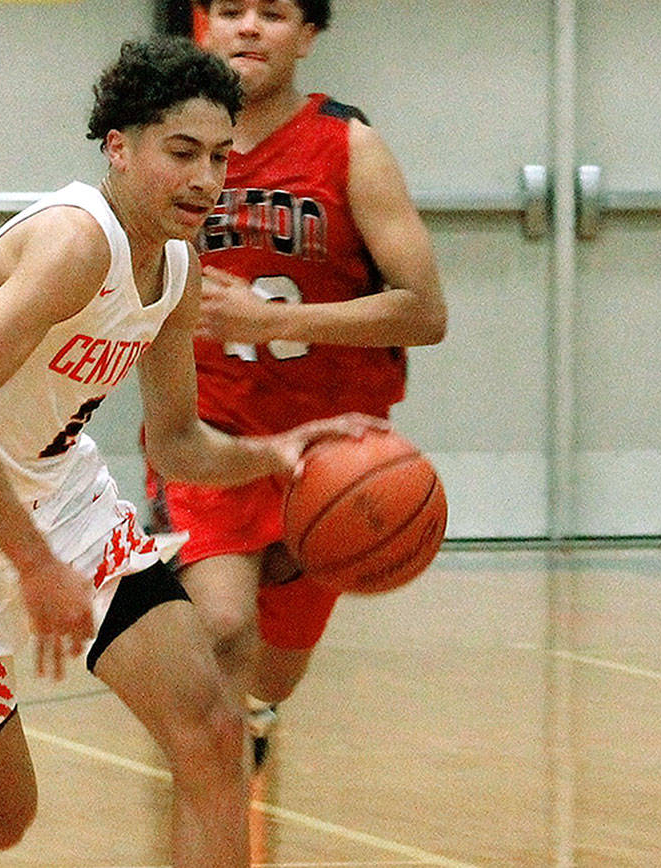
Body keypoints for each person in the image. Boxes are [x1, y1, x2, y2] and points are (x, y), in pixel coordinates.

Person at [0, 37, 373, 868]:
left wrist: (279, 454)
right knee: (0, 818)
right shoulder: (75, 243)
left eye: (219, 155)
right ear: (121, 146)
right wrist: (34, 567)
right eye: (182, 153)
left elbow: (176, 444)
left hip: (67, 502)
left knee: (213, 731)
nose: (206, 179)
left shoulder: (175, 262)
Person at [147, 0, 448, 768]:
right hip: (212, 436)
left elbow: (424, 311)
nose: (250, 27)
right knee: (221, 630)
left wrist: (275, 322)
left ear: (308, 35)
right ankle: (208, 794)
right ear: (201, 25)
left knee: (272, 665)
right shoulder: (167, 151)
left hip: (332, 452)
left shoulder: (349, 145)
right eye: (232, 9)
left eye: (274, 13)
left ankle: (252, 717)